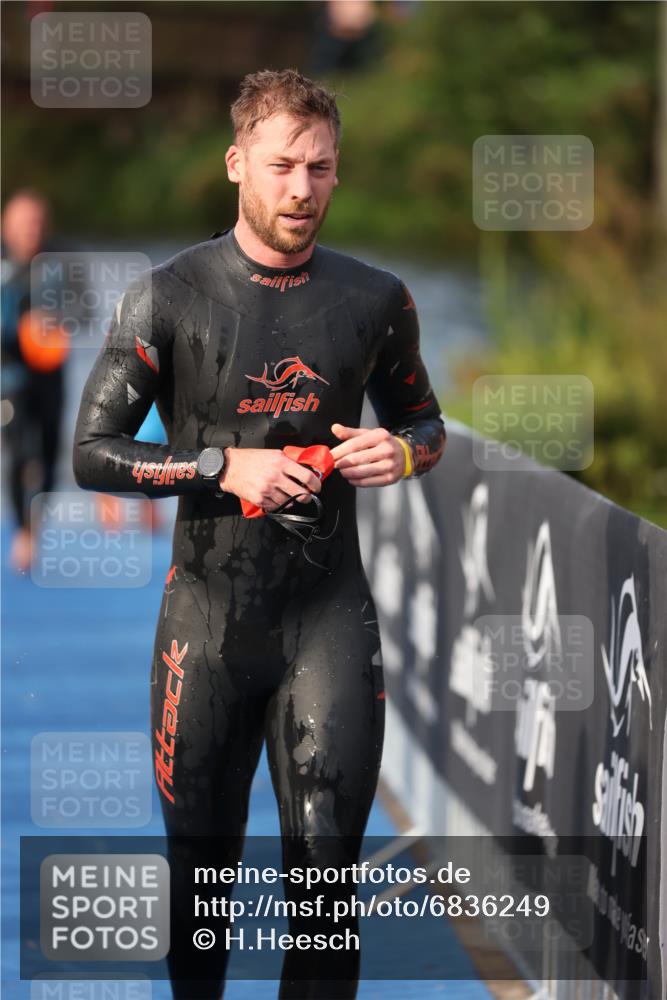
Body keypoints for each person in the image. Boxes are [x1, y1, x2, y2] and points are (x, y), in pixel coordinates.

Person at [73, 68, 446, 999]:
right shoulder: (165, 296)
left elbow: (425, 425)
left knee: (324, 902)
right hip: (204, 629)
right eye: (281, 166)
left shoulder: (374, 299)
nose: (300, 190)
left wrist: (396, 456)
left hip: (327, 620)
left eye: (320, 169)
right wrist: (216, 466)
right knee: (202, 899)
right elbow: (93, 452)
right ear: (236, 162)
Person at [1, 190, 67, 573]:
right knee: (18, 452)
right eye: (24, 224)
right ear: (7, 228)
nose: (31, 231)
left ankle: (35, 523)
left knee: (48, 453)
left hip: (49, 377)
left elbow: (85, 310)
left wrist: (57, 322)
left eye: (37, 224)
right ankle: (23, 531)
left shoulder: (60, 264)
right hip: (9, 377)